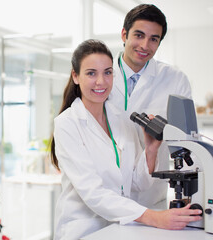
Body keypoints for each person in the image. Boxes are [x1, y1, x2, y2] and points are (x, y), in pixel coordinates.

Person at [50, 39, 201, 240]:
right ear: (75, 76)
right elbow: (94, 193)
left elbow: (136, 183)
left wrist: (150, 150)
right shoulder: (67, 123)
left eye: (107, 72)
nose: (101, 82)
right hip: (85, 231)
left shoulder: (119, 117)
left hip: (120, 230)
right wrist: (155, 217)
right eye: (91, 73)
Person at [108, 4, 192, 208]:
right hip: (104, 193)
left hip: (149, 197)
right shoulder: (100, 74)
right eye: (138, 35)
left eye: (154, 39)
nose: (145, 45)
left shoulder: (175, 79)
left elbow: (187, 140)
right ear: (124, 34)